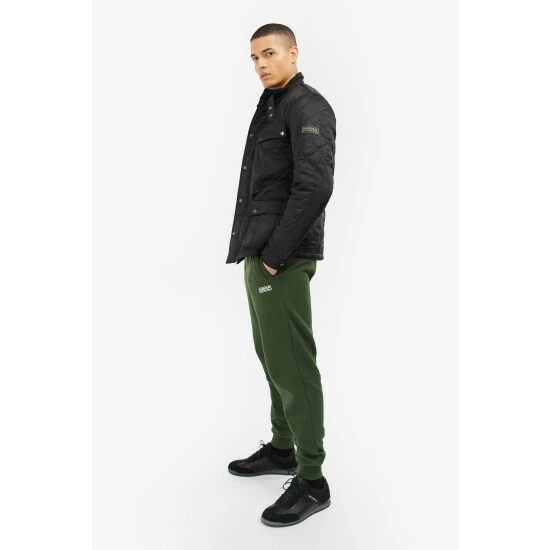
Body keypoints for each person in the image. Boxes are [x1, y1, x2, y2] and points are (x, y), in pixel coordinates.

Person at [225, 23, 337, 527]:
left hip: (283, 258)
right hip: (261, 253)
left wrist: (274, 255)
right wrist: (256, 253)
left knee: (293, 364)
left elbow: (315, 186)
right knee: (272, 357)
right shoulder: (272, 105)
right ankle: (282, 448)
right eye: (254, 57)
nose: (260, 64)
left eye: (269, 53)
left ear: (293, 53)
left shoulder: (307, 107)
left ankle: (312, 480)